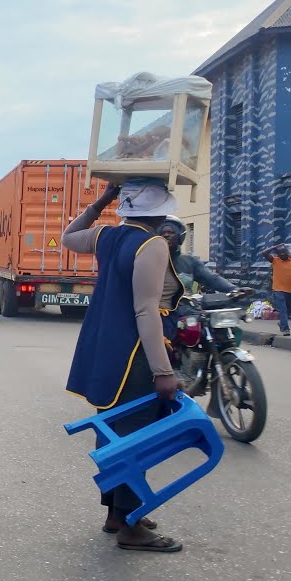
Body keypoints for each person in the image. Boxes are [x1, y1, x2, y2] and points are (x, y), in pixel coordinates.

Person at [65, 178, 185, 553]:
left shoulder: (106, 237)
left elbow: (70, 236)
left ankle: (116, 514)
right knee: (136, 440)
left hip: (106, 353)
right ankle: (130, 527)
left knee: (114, 435)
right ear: (160, 210)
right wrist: (163, 371)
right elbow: (145, 309)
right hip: (134, 357)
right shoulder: (152, 245)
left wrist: (102, 200)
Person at [159, 217, 236, 294]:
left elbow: (211, 278)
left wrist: (234, 289)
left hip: (185, 304)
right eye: (162, 233)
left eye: (171, 232)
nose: (166, 235)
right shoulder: (149, 261)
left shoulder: (190, 262)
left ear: (180, 236)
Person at [260, 241, 291, 336]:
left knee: (288, 312)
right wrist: (274, 246)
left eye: (284, 252)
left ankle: (282, 323)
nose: (282, 254)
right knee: (283, 310)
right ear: (278, 255)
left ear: (287, 252)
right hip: (278, 290)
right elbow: (264, 253)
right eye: (280, 253)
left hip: (290, 290)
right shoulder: (275, 260)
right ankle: (286, 329)